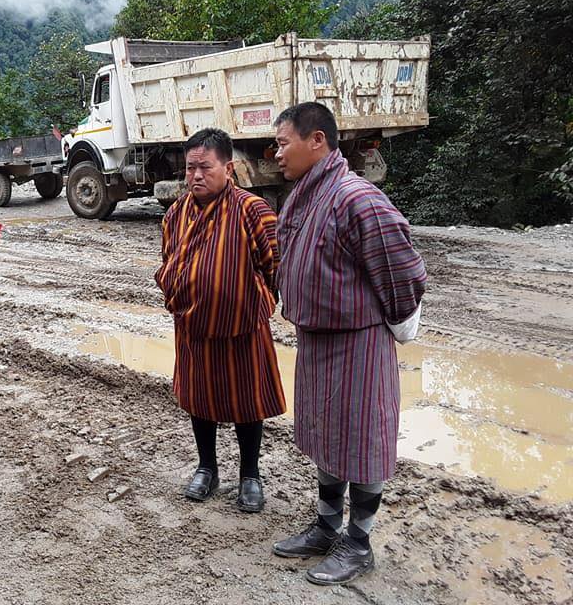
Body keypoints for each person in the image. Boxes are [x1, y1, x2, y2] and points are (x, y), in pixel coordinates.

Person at [271, 102, 427, 585]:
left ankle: (358, 544)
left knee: (361, 442)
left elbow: (403, 269)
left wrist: (402, 323)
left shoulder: (357, 197)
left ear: (316, 141)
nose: (276, 154)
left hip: (358, 344)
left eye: (282, 143)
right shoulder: (305, 194)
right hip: (318, 340)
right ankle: (325, 525)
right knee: (325, 436)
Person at [155, 128, 286, 512]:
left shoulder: (253, 210)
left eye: (205, 168)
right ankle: (207, 467)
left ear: (228, 168)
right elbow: (169, 261)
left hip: (243, 327)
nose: (195, 176)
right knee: (200, 398)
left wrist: (252, 301)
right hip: (193, 326)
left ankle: (250, 475)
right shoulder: (177, 213)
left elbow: (275, 267)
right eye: (190, 167)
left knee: (247, 400)